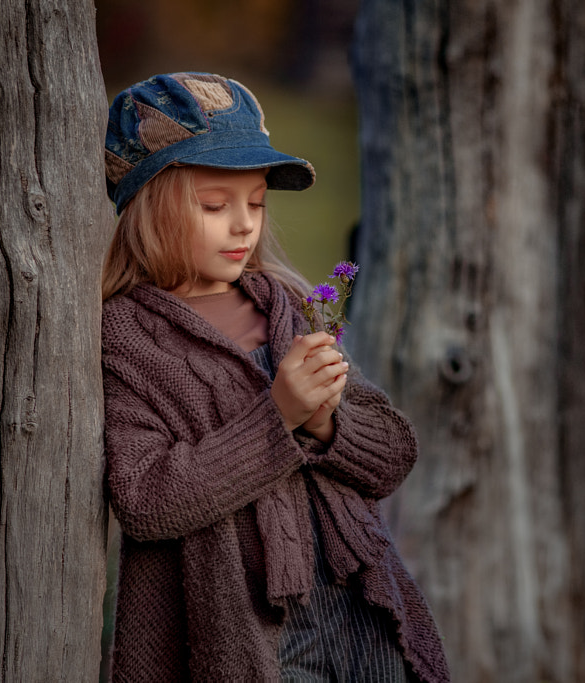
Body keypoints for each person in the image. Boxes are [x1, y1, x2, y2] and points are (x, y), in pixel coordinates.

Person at [100, 72, 450, 682]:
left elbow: (392, 455)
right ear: (151, 206)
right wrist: (278, 418)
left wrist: (324, 423)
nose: (243, 225)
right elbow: (148, 501)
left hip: (361, 603)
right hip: (249, 628)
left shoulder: (286, 304)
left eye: (257, 204)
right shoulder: (127, 338)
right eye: (216, 205)